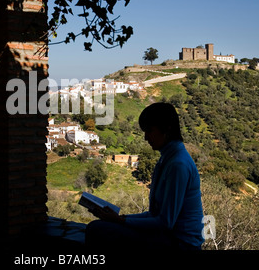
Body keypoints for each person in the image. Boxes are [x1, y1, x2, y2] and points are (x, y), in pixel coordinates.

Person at [85, 102, 204, 251]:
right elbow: (153, 215)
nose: (146, 137)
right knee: (100, 227)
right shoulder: (167, 159)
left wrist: (121, 221)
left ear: (166, 129)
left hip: (181, 243)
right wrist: (120, 218)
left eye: (150, 131)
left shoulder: (178, 165)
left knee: (96, 230)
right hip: (168, 236)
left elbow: (164, 223)